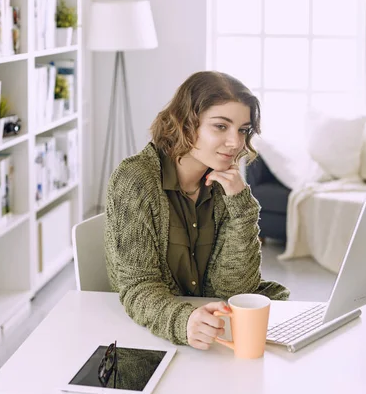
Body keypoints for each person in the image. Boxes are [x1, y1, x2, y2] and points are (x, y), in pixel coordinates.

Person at [104, 71, 290, 351]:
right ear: (186, 123)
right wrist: (184, 320)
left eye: (242, 130)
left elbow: (233, 289)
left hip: (212, 334)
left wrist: (241, 208)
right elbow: (138, 287)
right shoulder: (135, 180)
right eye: (220, 126)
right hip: (149, 336)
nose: (236, 143)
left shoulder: (224, 182)